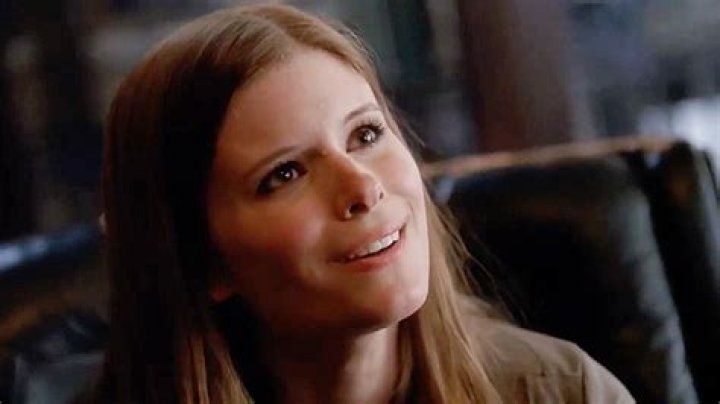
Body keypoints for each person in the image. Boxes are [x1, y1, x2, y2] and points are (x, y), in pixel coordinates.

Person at [95, 4, 634, 403]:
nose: (363, 187)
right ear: (201, 259)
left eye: (366, 134)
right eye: (285, 174)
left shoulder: (565, 392)